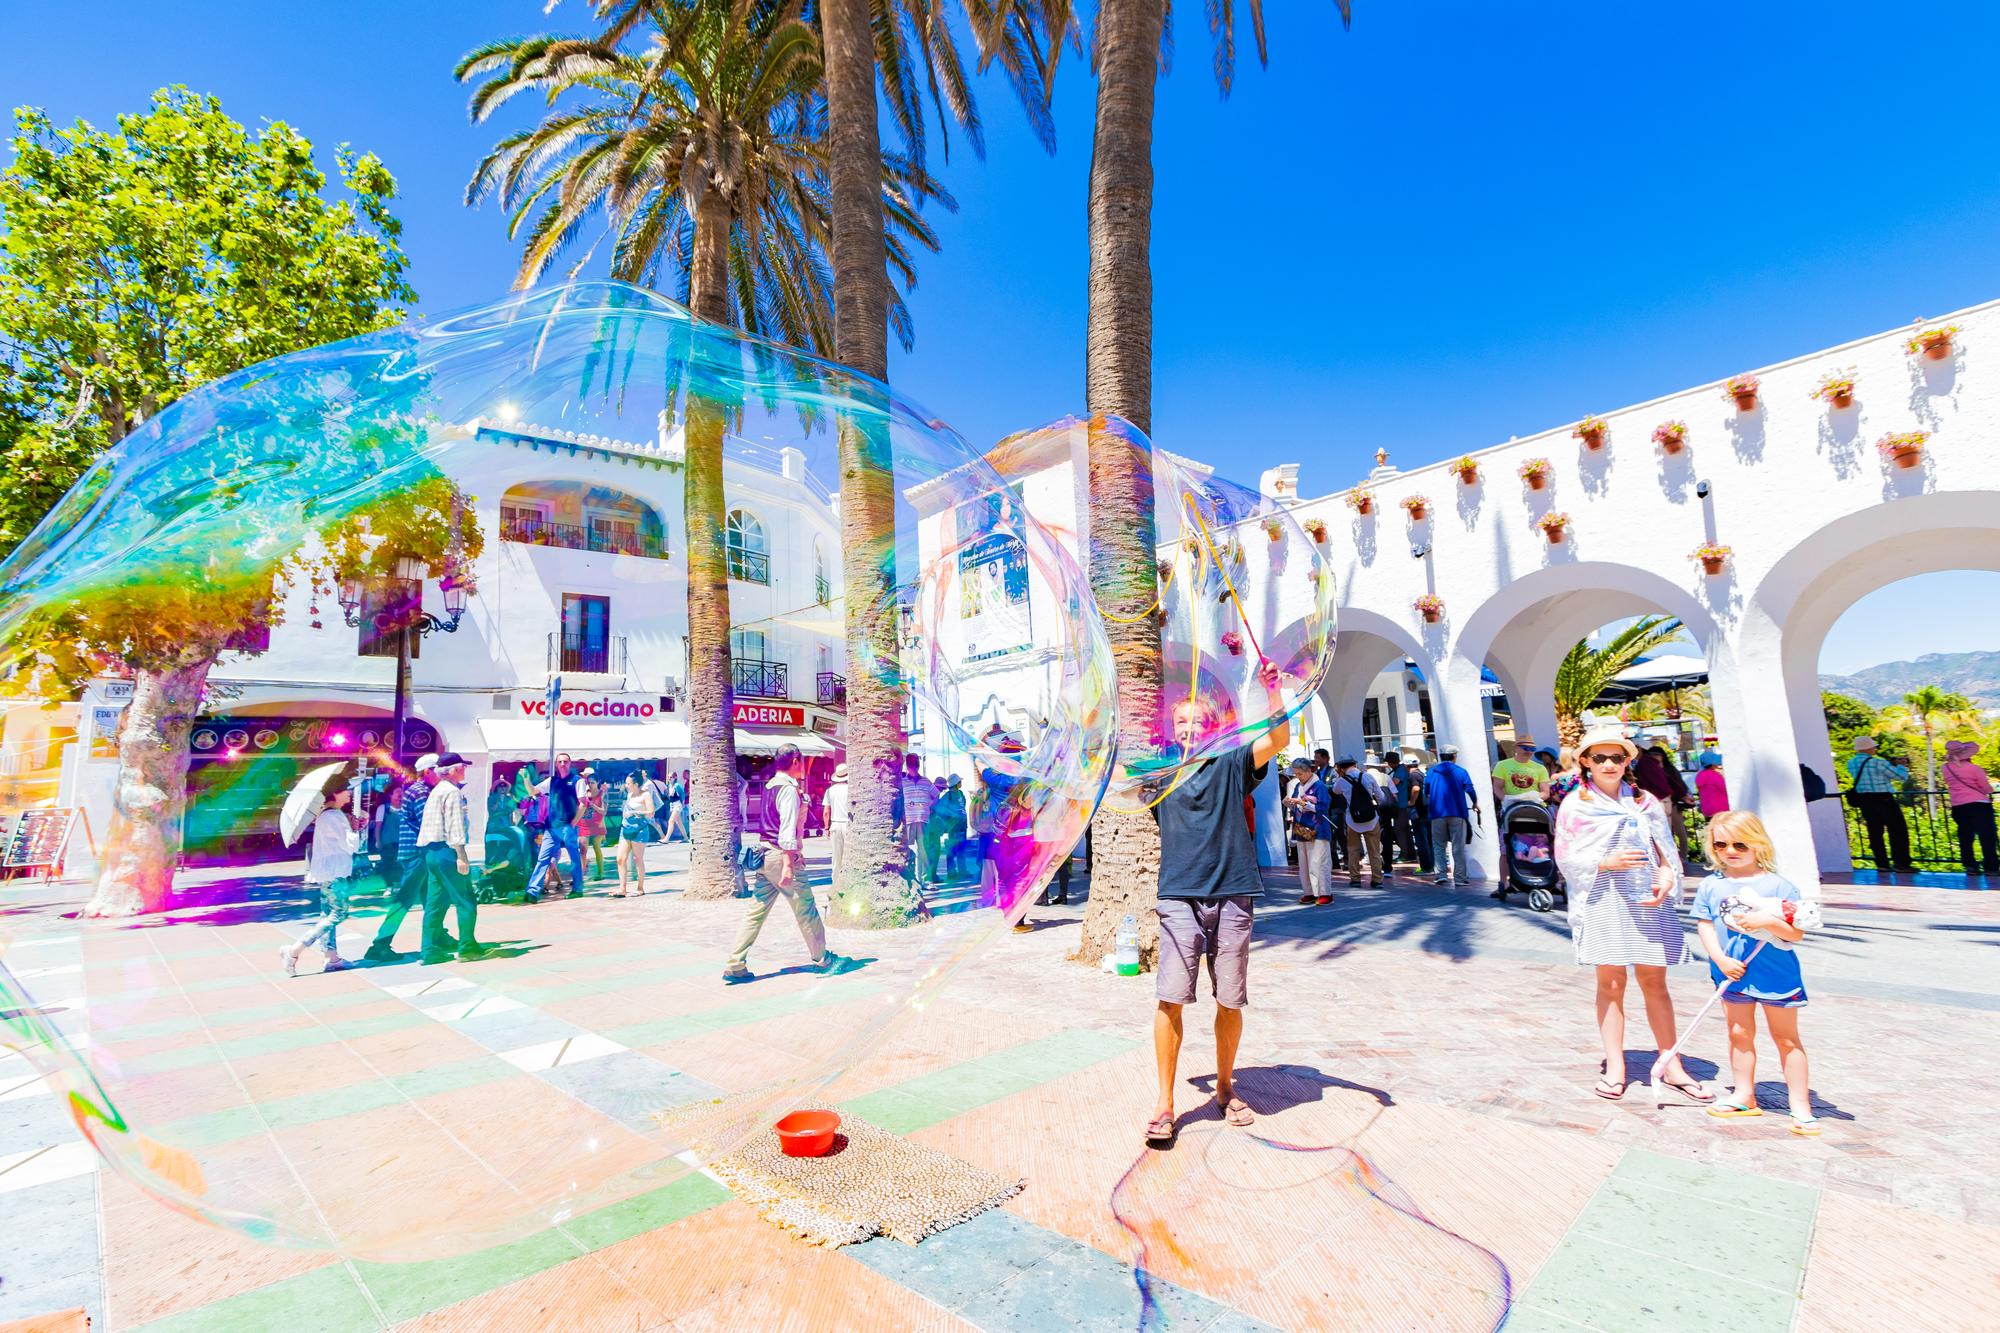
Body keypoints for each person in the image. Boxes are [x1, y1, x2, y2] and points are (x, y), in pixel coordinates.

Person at [1148, 659, 1288, 1145]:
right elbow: (1110, 772)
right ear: (1173, 729)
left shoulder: (1232, 763)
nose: (1189, 727)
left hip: (1232, 892)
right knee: (1170, 998)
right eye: (1181, 721)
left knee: (1229, 1000)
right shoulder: (1160, 774)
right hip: (1178, 895)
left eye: (1198, 720)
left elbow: (1279, 739)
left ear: (1212, 727)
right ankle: (1165, 1103)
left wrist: (1273, 691)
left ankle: (1226, 1087)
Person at [1552, 728, 1710, 1104]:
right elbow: (1565, 856)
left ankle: (1671, 1062)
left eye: (1617, 757)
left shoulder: (1645, 801)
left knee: (1655, 982)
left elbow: (1665, 848)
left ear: (1628, 761)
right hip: (1602, 898)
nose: (1609, 764)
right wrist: (1604, 861)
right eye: (1600, 757)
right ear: (1585, 761)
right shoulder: (1576, 804)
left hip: (1646, 897)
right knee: (1610, 983)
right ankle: (1615, 1064)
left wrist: (1668, 875)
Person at [1691, 811, 1818, 1135]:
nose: (1729, 851)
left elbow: (1796, 934)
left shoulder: (1779, 886)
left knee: (1786, 1038)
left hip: (1776, 975)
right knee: (1738, 1033)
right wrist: (1719, 959)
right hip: (1731, 974)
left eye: (1740, 844)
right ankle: (1744, 1094)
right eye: (1720, 844)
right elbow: (1705, 925)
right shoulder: (1711, 884)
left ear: (1757, 843)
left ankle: (1800, 1104)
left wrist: (1768, 921)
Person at [724, 744, 847, 982]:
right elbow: (786, 830)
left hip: (764, 855)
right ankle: (823, 959)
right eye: (801, 762)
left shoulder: (770, 785)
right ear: (795, 762)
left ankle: (735, 962)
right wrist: (789, 863)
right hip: (781, 856)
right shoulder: (788, 790)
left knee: (755, 912)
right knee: (806, 909)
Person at [365, 755, 451, 962]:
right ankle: (380, 945)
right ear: (427, 771)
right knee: (405, 899)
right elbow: (427, 822)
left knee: (431, 899)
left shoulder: (420, 790)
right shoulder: (422, 792)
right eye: (438, 770)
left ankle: (438, 936)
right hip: (418, 853)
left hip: (417, 853)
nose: (441, 774)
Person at [282, 770, 363, 976]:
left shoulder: (326, 815)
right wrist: (356, 829)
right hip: (335, 873)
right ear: (335, 793)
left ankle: (331, 957)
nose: (349, 793)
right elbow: (351, 846)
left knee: (327, 914)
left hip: (327, 873)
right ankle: (295, 950)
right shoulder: (335, 816)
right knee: (339, 913)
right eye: (345, 790)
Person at [417, 753, 491, 964]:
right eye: (462, 767)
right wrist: (461, 855)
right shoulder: (452, 792)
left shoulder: (436, 791)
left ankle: (429, 950)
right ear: (453, 770)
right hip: (447, 852)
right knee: (465, 900)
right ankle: (467, 947)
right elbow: (455, 825)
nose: (465, 770)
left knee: (435, 904)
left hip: (432, 852)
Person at [1844, 736, 1914, 872]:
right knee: (1897, 830)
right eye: (1873, 747)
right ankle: (1901, 863)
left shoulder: (1851, 763)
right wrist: (1901, 766)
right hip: (1883, 798)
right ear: (1868, 748)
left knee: (1875, 831)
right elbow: (1900, 777)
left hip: (1864, 799)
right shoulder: (1878, 762)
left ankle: (1882, 863)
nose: (1875, 749)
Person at [526, 752, 589, 901]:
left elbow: (583, 803)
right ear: (556, 764)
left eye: (565, 761)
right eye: (559, 761)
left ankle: (577, 889)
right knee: (543, 859)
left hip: (568, 826)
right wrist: (525, 779)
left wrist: (573, 823)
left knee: (574, 858)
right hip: (551, 827)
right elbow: (532, 791)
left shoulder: (577, 781)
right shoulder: (552, 780)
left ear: (570, 763)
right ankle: (532, 892)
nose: (562, 764)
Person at [1425, 744, 1479, 887]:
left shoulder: (1432, 771)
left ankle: (1441, 874)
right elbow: (1470, 789)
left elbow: (1426, 790)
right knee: (1458, 846)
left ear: (1440, 756)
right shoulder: (1461, 771)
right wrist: (1475, 802)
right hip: (1457, 812)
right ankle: (1460, 878)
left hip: (1437, 813)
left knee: (1438, 845)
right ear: (1454, 756)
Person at [1942, 740, 1998, 876]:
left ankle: (1970, 865)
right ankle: (1991, 867)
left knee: (1965, 836)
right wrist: (1989, 790)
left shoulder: (1945, 768)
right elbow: (1986, 788)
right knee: (1987, 836)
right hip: (1979, 805)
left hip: (1958, 805)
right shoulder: (1974, 768)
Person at [1633, 742, 1695, 864]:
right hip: (1664, 800)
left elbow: (1663, 783)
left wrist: (1680, 796)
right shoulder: (1649, 764)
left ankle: (1672, 862)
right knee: (1666, 834)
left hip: (1662, 800)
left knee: (1664, 834)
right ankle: (1672, 861)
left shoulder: (1646, 763)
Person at [1284, 756, 1334, 905]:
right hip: (1302, 829)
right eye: (1296, 774)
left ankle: (1325, 893)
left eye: (1300, 773)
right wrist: (1289, 803)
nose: (1298, 777)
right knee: (1304, 864)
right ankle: (1309, 892)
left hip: (1318, 828)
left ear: (1308, 771)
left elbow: (1322, 808)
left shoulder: (1319, 786)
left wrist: (1303, 803)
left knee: (1319, 862)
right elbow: (1295, 806)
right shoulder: (1298, 786)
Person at [1333, 756, 1389, 887]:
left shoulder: (1341, 781)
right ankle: (1377, 880)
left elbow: (1335, 791)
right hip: (1371, 819)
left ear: (1341, 768)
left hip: (1352, 820)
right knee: (1374, 851)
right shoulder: (1368, 777)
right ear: (1355, 764)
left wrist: (1340, 776)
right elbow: (1381, 798)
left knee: (1353, 850)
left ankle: (1355, 879)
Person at [614, 771, 656, 896]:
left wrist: (634, 813)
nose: (626, 785)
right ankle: (622, 888)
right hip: (626, 829)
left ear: (636, 784)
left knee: (637, 859)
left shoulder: (645, 795)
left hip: (640, 830)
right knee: (620, 859)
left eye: (628, 783)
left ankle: (640, 888)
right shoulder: (629, 795)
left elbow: (651, 812)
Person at [900, 753, 938, 885]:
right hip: (908, 820)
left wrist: (928, 805)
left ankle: (926, 880)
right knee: (906, 850)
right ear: (907, 766)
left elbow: (936, 795)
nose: (914, 769)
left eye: (916, 766)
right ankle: (909, 879)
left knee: (924, 851)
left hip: (923, 820)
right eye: (911, 766)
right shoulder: (903, 782)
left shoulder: (926, 781)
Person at [1375, 754, 1415, 868]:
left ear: (1391, 762)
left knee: (1399, 830)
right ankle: (1410, 853)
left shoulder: (1400, 770)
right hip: (1401, 804)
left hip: (1401, 804)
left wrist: (1382, 779)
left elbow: (1394, 782)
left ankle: (1405, 854)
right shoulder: (1400, 769)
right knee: (1404, 830)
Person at [927, 773, 966, 885]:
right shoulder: (945, 796)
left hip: (960, 826)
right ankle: (947, 874)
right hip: (948, 828)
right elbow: (938, 810)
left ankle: (960, 872)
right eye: (941, 788)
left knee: (960, 850)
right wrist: (951, 819)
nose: (942, 790)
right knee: (946, 851)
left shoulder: (959, 794)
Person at [574, 768, 609, 881]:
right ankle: (581, 874)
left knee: (596, 847)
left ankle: (600, 872)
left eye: (592, 783)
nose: (590, 785)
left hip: (597, 825)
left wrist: (592, 805)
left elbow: (604, 812)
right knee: (582, 849)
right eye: (588, 783)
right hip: (584, 824)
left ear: (598, 782)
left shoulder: (602, 794)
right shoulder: (584, 793)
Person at [1492, 738, 1550, 803]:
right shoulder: (1502, 765)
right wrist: (1508, 800)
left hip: (1534, 806)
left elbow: (1545, 792)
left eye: (1532, 749)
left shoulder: (1540, 768)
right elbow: (1497, 788)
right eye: (1526, 748)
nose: (1529, 751)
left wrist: (1531, 798)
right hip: (1512, 806)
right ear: (1516, 748)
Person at [823, 762, 850, 885]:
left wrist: (826, 827)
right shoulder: (851, 789)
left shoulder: (830, 791)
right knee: (850, 856)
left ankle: (836, 883)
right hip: (848, 824)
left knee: (836, 857)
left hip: (835, 824)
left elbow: (826, 812)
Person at [1695, 753, 1730, 820]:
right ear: (1713, 764)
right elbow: (1726, 790)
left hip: (1707, 810)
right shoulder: (1714, 775)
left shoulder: (1699, 775)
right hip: (1721, 809)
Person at [660, 768, 690, 843]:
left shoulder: (677, 786)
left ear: (675, 777)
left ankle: (666, 838)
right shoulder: (669, 786)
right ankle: (686, 837)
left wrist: (682, 804)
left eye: (671, 777)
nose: (669, 779)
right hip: (672, 805)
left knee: (671, 821)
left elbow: (682, 795)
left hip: (677, 805)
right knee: (679, 822)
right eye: (668, 777)